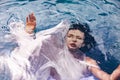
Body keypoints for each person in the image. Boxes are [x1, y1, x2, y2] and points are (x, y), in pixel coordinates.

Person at [25, 13, 120, 80]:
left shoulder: (88, 62)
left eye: (78, 38)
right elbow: (32, 50)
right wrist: (29, 32)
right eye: (70, 36)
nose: (74, 40)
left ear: (83, 43)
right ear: (65, 38)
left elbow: (108, 78)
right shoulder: (55, 53)